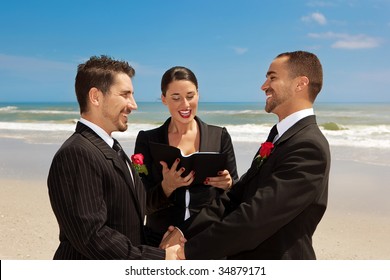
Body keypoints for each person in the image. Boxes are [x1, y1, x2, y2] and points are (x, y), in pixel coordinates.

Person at [177, 50, 331, 259]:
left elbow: (255, 218)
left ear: (300, 84)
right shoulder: (278, 136)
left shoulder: (308, 147)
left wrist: (187, 251)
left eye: (272, 77)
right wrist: (184, 231)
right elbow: (237, 195)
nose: (264, 85)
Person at [47, 55, 180, 259]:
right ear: (96, 97)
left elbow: (129, 214)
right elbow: (92, 236)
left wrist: (161, 241)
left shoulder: (113, 148)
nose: (133, 104)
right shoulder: (76, 154)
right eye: (125, 94)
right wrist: (160, 258)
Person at [134, 66, 239, 246]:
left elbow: (236, 194)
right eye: (176, 98)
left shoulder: (219, 136)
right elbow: (140, 203)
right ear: (164, 99)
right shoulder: (147, 140)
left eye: (190, 96)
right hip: (159, 241)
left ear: (198, 94)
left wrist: (228, 184)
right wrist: (167, 187)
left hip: (206, 239)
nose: (185, 104)